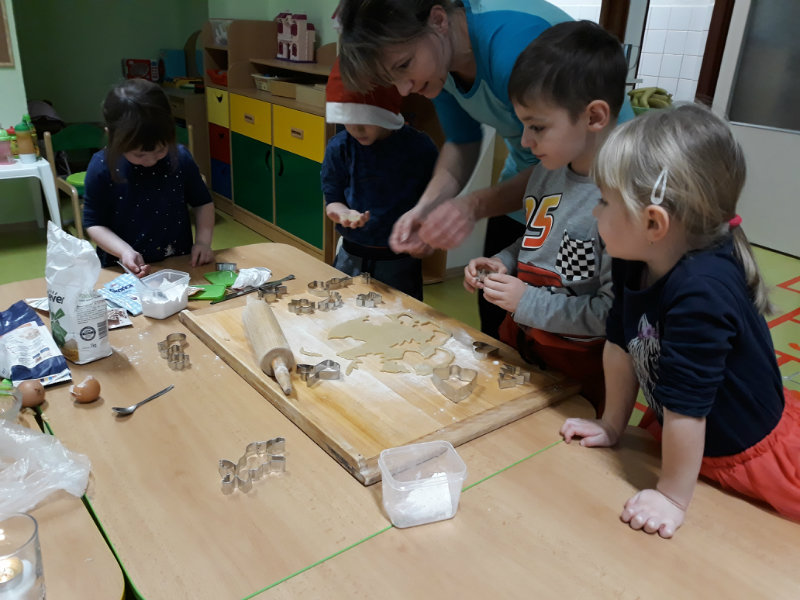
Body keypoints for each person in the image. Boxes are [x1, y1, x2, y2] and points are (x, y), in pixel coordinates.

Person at [560, 103, 800, 538]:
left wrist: (671, 497)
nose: (595, 213)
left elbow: (688, 408)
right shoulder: (634, 258)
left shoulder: (701, 291)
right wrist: (611, 424)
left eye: (604, 201)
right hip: (689, 436)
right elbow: (620, 343)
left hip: (746, 451)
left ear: (654, 223)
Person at [338, 0, 633, 337]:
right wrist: (426, 208)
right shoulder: (439, 63)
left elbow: (603, 310)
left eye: (405, 65)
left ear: (438, 20)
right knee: (502, 316)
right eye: (394, 78)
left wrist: (473, 206)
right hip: (543, 185)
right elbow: (462, 141)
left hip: (593, 184)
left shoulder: (513, 49)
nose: (405, 89)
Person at [463, 21, 626, 415]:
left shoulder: (620, 203)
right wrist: (502, 261)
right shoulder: (546, 171)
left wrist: (527, 301)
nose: (524, 141)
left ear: (594, 117)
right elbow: (537, 239)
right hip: (522, 345)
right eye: (523, 125)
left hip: (578, 371)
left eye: (537, 127)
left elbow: (610, 315)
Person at [321, 58, 438, 300]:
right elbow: (332, 199)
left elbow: (435, 202)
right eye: (348, 120)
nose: (356, 129)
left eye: (365, 121)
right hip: (351, 256)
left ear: (387, 113)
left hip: (399, 263)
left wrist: (426, 232)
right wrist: (341, 212)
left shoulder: (419, 148)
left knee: (401, 315)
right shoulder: (340, 148)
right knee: (344, 310)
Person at [83, 79, 215, 276]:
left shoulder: (180, 158)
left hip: (178, 263)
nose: (151, 161)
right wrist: (124, 251)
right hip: (123, 269)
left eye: (160, 150)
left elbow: (203, 203)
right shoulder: (101, 167)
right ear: (112, 136)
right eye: (139, 155)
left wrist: (203, 242)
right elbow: (94, 223)